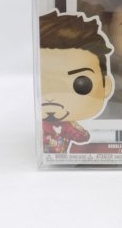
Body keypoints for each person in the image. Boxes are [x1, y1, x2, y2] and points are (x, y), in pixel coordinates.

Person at [39, 10, 113, 153]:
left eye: (81, 85)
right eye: (44, 84)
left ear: (106, 85)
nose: (51, 99)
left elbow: (80, 136)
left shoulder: (69, 126)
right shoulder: (38, 125)